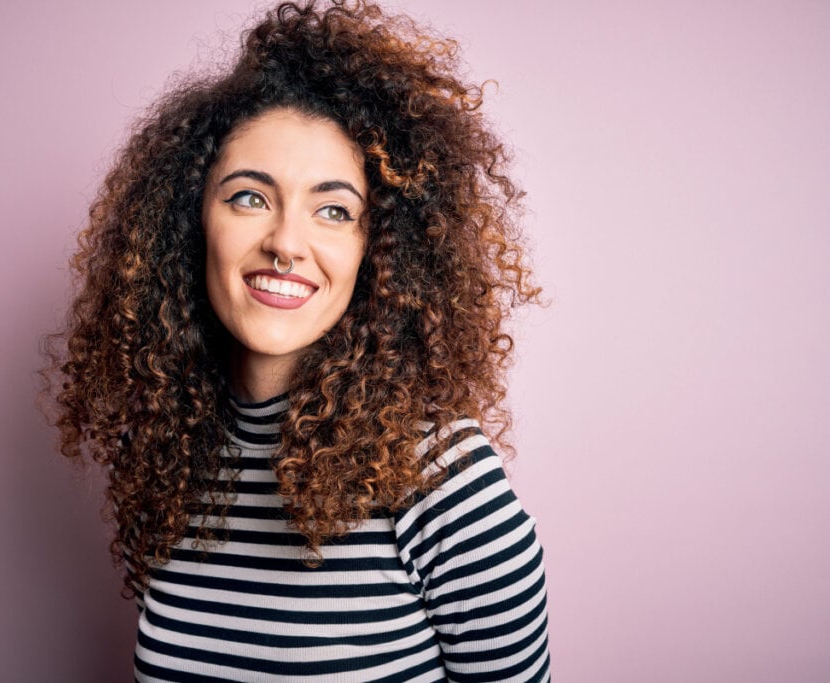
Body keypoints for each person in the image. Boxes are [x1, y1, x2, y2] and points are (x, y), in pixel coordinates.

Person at [43, 1, 550, 680]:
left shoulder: (442, 478)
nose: (285, 242)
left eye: (334, 210)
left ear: (381, 251)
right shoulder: (172, 455)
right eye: (249, 197)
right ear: (191, 222)